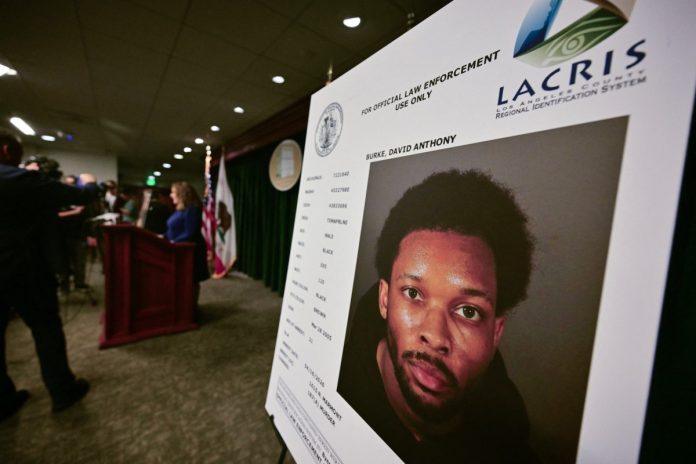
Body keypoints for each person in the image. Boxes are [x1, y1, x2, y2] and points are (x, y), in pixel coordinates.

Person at [338, 169, 537, 463]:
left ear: (496, 333)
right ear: (384, 299)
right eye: (413, 293)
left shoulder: (509, 434)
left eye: (468, 311)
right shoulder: (336, 384)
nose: (434, 336)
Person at [0, 133, 94, 420]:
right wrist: (89, 181)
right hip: (24, 269)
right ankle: (62, 390)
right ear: (7, 150)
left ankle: (3, 400)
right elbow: (82, 196)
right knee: (46, 329)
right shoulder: (20, 179)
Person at [166, 181, 210, 305]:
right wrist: (163, 237)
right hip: (178, 249)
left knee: (192, 280)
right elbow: (172, 229)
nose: (170, 195)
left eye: (173, 192)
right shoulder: (180, 209)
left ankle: (191, 309)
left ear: (182, 194)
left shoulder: (192, 209)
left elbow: (190, 232)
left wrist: (173, 242)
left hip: (191, 251)